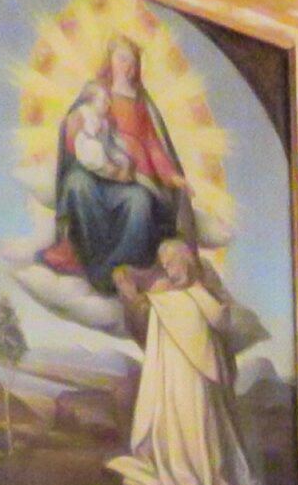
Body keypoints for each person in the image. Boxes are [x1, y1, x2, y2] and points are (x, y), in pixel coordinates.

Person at [106, 240, 290, 485]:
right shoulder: (168, 293)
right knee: (178, 428)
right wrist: (132, 291)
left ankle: (199, 481)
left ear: (186, 262)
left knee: (201, 429)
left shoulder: (196, 292)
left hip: (198, 379)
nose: (169, 270)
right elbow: (146, 309)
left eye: (172, 263)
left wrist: (200, 297)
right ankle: (182, 477)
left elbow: (220, 319)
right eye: (165, 265)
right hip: (173, 379)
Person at [41, 34, 191, 295]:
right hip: (96, 172)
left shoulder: (140, 103)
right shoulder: (96, 92)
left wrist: (171, 176)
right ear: (110, 60)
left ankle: (113, 271)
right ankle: (79, 253)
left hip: (131, 178)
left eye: (133, 62)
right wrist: (76, 126)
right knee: (77, 185)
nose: (128, 67)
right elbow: (74, 126)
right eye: (122, 59)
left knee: (140, 203)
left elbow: (153, 144)